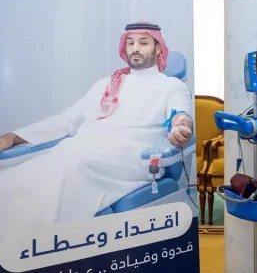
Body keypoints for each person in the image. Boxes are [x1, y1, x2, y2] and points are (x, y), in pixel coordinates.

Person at [0, 21, 194, 234]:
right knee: (25, 174)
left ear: (157, 48)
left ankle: (30, 239)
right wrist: (13, 137)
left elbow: (179, 114)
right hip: (83, 149)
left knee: (72, 168)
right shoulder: (107, 84)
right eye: (130, 43)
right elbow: (67, 121)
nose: (135, 48)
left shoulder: (171, 86)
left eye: (143, 43)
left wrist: (181, 127)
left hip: (130, 157)